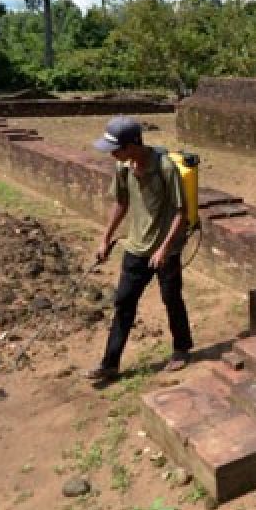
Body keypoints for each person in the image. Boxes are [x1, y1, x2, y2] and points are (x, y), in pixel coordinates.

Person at [86, 116, 194, 382]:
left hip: (165, 250)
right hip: (136, 246)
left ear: (134, 144)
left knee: (171, 299)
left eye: (116, 149)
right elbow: (121, 203)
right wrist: (105, 238)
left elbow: (181, 212)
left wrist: (164, 249)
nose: (112, 154)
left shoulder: (166, 168)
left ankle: (181, 348)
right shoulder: (124, 167)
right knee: (123, 302)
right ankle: (110, 364)